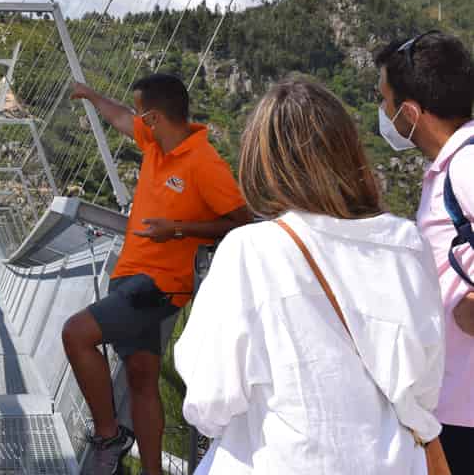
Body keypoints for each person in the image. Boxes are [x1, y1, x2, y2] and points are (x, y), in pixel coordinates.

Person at [174, 80, 445, 475]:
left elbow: (209, 399)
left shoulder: (249, 251)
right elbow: (424, 386)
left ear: (261, 161)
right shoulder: (405, 244)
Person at [63, 74, 252, 475]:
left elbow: (241, 221)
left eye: (142, 115)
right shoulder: (154, 142)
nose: (137, 121)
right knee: (142, 381)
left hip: (158, 287)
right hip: (130, 277)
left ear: (155, 117)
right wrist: (91, 93)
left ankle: (108, 434)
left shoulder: (204, 163)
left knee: (76, 334)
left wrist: (179, 230)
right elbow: (118, 117)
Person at [375, 30, 474, 473]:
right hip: (451, 403)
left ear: (411, 112)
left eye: (385, 100)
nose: (384, 113)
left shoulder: (467, 167)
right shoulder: (452, 167)